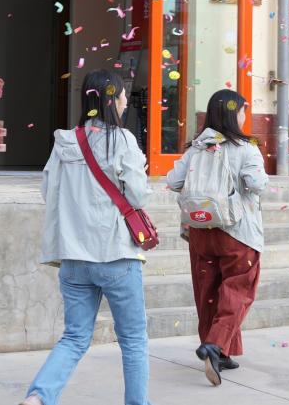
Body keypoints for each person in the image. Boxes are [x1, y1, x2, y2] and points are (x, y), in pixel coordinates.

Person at [21, 70, 153, 405]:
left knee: (75, 337)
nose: (125, 101)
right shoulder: (123, 140)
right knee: (133, 340)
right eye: (122, 94)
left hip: (74, 257)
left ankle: (38, 398)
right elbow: (138, 196)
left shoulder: (66, 141)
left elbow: (49, 191)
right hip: (115, 255)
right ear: (112, 99)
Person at [165, 90, 268, 386]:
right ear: (235, 114)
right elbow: (256, 183)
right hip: (236, 231)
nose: (244, 115)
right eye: (243, 110)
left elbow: (173, 181)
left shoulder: (196, 148)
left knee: (208, 292)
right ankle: (215, 344)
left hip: (200, 230)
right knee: (239, 289)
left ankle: (220, 353)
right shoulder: (246, 149)